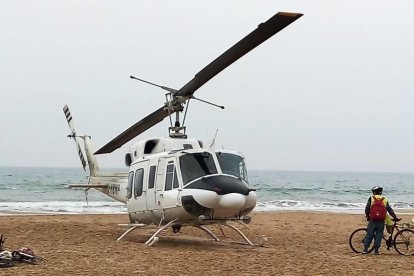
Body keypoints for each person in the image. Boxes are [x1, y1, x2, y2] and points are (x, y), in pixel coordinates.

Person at [363, 186, 399, 255]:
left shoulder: (371, 198)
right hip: (381, 220)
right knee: (379, 234)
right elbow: (389, 209)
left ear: (374, 192)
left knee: (369, 234)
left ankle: (365, 249)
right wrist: (395, 217)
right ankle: (376, 251)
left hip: (373, 219)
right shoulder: (384, 199)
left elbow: (367, 208)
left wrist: (368, 216)